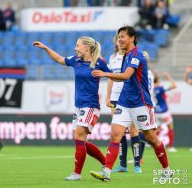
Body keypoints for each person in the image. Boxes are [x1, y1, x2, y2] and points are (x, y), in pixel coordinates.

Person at [90, 26, 171, 182]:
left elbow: (126, 76)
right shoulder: (125, 56)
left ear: (132, 38)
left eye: (123, 36)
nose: (119, 39)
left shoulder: (136, 55)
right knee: (115, 135)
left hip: (141, 103)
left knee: (151, 138)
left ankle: (166, 170)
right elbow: (121, 78)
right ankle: (106, 172)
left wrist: (105, 74)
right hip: (124, 102)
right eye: (118, 36)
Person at [33, 36, 111, 181]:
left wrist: (110, 96)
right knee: (81, 141)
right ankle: (107, 165)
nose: (75, 48)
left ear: (86, 48)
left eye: (78, 45)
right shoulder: (76, 60)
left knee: (79, 137)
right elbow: (59, 59)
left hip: (91, 106)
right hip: (78, 106)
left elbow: (113, 75)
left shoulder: (100, 63)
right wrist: (45, 48)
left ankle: (76, 174)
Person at [106, 36, 142, 174]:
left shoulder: (132, 56)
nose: (119, 41)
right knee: (118, 133)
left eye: (121, 39)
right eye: (117, 39)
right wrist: (108, 96)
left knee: (133, 131)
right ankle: (123, 165)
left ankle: (137, 165)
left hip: (129, 97)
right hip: (115, 98)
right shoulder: (113, 57)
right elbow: (110, 78)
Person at [154, 71, 177, 152]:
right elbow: (174, 85)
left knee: (156, 129)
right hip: (164, 112)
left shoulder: (150, 88)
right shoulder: (161, 88)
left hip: (156, 112)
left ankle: (154, 145)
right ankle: (170, 147)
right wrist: (168, 77)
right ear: (158, 80)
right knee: (170, 127)